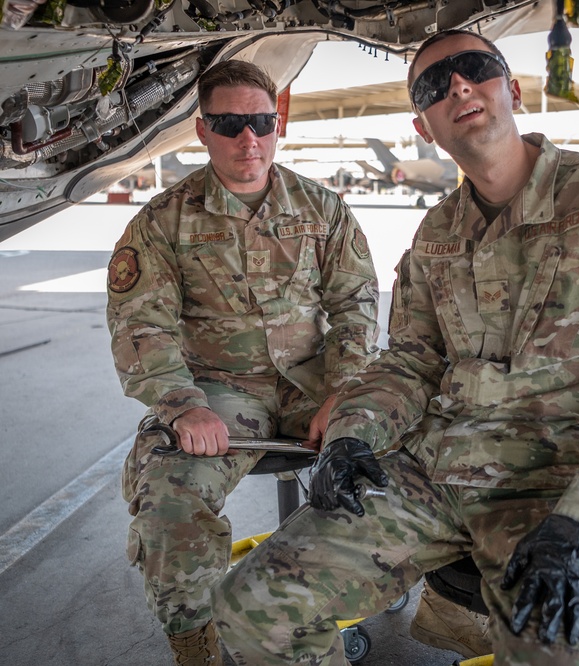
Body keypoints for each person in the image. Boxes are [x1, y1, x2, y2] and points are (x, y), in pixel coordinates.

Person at [212, 28, 579, 665]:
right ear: (424, 125)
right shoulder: (437, 232)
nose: (457, 86)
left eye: (475, 68)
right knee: (251, 609)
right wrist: (354, 433)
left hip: (562, 476)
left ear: (514, 89)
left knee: (561, 647)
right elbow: (413, 359)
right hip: (437, 469)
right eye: (432, 86)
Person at [106, 60, 380, 664]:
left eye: (259, 120)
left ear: (276, 122)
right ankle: (195, 640)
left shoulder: (323, 209)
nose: (247, 138)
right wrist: (182, 406)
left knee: (415, 457)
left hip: (315, 383)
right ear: (202, 130)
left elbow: (356, 306)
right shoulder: (162, 222)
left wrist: (346, 391)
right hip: (221, 395)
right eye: (229, 123)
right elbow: (140, 324)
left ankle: (427, 603)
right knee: (169, 492)